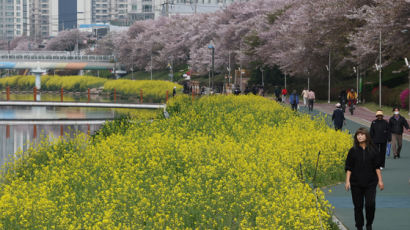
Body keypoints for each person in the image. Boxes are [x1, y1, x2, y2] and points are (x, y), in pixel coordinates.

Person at [345, 127, 384, 230]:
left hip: (370, 182)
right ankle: (359, 226)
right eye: (358, 135)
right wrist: (347, 181)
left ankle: (369, 223)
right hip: (356, 183)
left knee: (370, 204)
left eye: (362, 134)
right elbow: (349, 167)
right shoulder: (352, 151)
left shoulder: (374, 150)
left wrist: (380, 180)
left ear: (366, 136)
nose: (360, 136)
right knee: (358, 206)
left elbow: (377, 167)